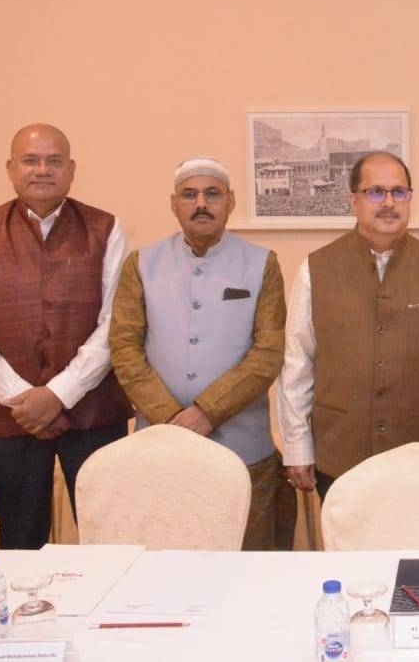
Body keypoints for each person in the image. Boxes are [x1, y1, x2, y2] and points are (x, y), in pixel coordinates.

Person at [0, 124, 132, 549]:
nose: (42, 170)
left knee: (106, 539)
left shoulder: (105, 228)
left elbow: (114, 324)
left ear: (71, 169)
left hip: (93, 416)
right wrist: (25, 400)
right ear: (11, 169)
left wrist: (59, 394)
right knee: (19, 541)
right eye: (30, 160)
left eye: (54, 161)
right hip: (9, 419)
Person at [110, 156, 294, 550]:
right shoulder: (141, 264)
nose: (201, 203)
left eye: (212, 194)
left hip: (244, 449)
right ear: (173, 204)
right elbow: (124, 348)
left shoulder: (262, 264)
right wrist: (172, 420)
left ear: (230, 201)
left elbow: (268, 352)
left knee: (249, 565)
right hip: (160, 444)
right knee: (167, 563)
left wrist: (207, 412)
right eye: (189, 194)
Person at [278, 152, 419, 502]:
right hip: (339, 457)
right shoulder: (316, 269)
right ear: (352, 200)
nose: (389, 202)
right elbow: (297, 365)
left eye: (399, 192)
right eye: (375, 192)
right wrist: (297, 446)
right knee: (347, 556)